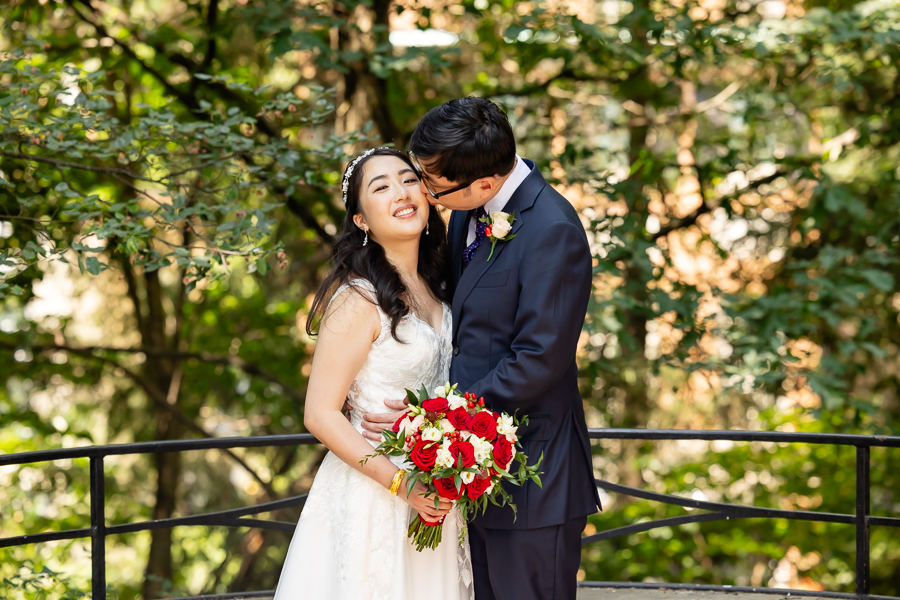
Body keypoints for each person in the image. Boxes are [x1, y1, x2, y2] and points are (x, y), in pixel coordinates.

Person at [360, 98, 602, 600]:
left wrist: (430, 420)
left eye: (431, 184)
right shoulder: (471, 214)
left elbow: (538, 360)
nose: (424, 193)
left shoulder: (551, 230)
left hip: (533, 481)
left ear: (485, 184)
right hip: (471, 474)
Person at [273, 148, 472, 600]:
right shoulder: (357, 299)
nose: (401, 193)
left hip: (439, 491)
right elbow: (320, 414)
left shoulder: (443, 286)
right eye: (381, 187)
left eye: (408, 180)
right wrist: (404, 485)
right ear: (361, 219)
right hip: (375, 494)